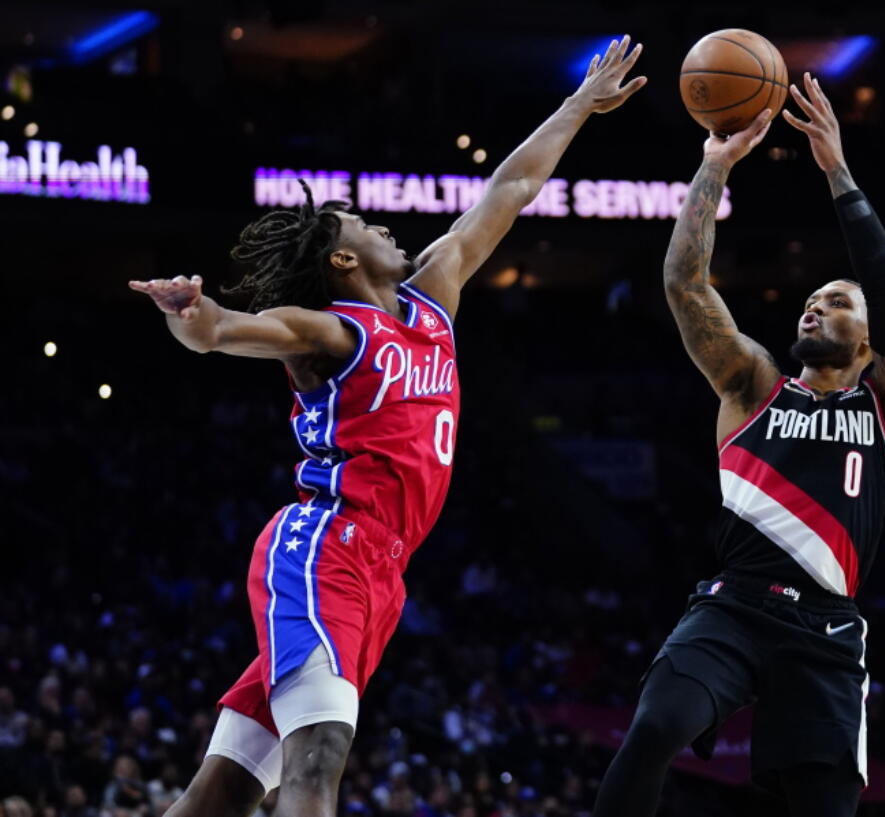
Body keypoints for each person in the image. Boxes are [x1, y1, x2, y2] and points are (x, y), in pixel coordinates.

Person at [128, 36, 647, 817]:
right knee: (319, 757)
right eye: (366, 224)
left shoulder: (434, 295)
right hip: (325, 545)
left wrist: (577, 105)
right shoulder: (330, 331)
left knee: (225, 788)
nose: (387, 229)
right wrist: (190, 312)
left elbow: (507, 191)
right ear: (342, 260)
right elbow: (226, 332)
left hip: (383, 572)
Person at [592, 73, 885, 817]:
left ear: (870, 339)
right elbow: (684, 284)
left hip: (827, 629)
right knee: (653, 727)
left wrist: (836, 169)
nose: (816, 304)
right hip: (733, 609)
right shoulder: (753, 386)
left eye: (837, 301)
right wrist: (715, 164)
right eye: (813, 298)